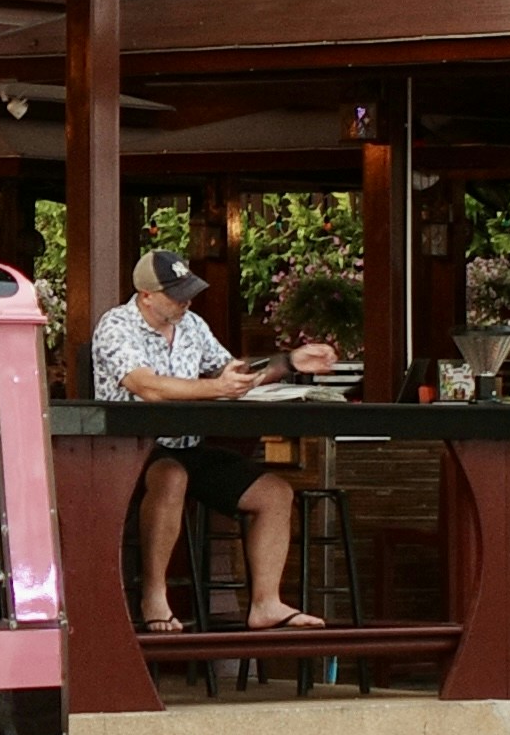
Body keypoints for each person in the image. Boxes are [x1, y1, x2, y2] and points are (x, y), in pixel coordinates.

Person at [90, 243, 348, 634]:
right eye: (177, 296)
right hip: (130, 450)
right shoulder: (116, 326)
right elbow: (149, 387)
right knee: (171, 476)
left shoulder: (192, 326)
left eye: (189, 293)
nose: (186, 303)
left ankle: (266, 603)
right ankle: (154, 596)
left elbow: (234, 373)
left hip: (187, 445)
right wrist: (218, 389)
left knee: (274, 493)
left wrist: (289, 363)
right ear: (146, 295)